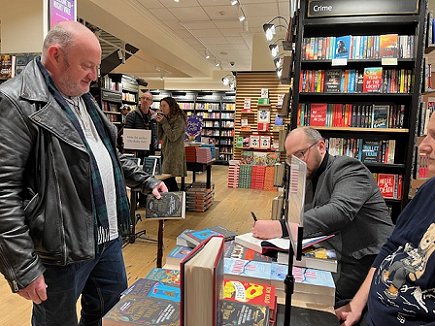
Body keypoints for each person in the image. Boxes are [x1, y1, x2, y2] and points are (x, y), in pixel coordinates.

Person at [0, 21, 167, 325]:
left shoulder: (84, 99)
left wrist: (145, 180)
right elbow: (2, 194)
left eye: (96, 66)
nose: (93, 75)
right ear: (56, 55)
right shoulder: (14, 101)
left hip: (107, 237)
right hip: (59, 248)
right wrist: (22, 267)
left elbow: (107, 158)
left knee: (110, 311)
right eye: (86, 65)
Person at [252, 127, 394, 302]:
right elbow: (304, 218)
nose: (296, 162)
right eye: (290, 158)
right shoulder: (306, 176)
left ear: (321, 146)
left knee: (308, 299)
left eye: (301, 154)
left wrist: (281, 227)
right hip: (330, 255)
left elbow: (340, 210)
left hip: (364, 262)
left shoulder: (348, 168)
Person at [335, 113, 435, 326]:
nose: (423, 146)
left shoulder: (348, 170)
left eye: (434, 136)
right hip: (367, 312)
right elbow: (391, 247)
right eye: (426, 134)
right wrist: (357, 305)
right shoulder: (429, 190)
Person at [155, 97, 187, 191]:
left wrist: (164, 122)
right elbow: (159, 135)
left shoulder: (179, 119)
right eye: (160, 106)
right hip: (165, 151)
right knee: (168, 178)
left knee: (168, 178)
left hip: (174, 153)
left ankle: (173, 199)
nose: (162, 108)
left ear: (171, 107)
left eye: (164, 106)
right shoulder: (166, 118)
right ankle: (176, 199)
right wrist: (159, 123)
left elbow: (173, 136)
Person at [123, 91, 158, 159]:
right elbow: (127, 133)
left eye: (147, 99)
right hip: (136, 151)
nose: (145, 100)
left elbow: (155, 133)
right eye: (143, 98)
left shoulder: (154, 116)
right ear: (140, 100)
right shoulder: (131, 115)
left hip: (150, 150)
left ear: (151, 102)